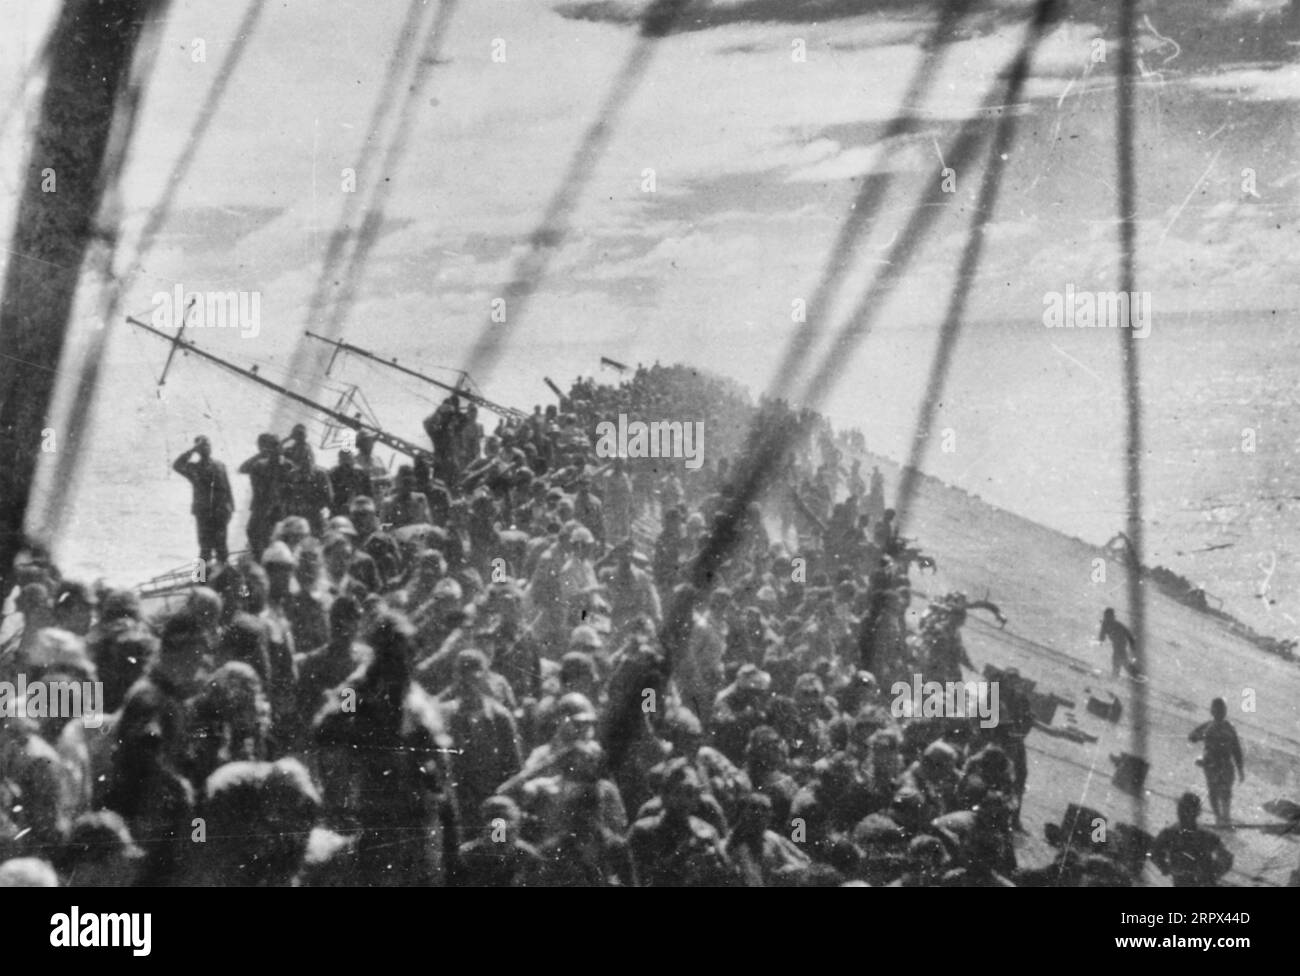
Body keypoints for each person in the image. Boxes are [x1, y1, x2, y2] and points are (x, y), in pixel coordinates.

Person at [173, 436, 235, 564]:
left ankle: (222, 578)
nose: (207, 448)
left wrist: (230, 508)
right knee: (204, 549)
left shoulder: (220, 465)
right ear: (198, 450)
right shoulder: (193, 468)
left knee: (222, 548)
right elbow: (177, 465)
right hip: (203, 513)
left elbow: (227, 488)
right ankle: (200, 579)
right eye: (203, 446)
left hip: (220, 512)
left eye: (208, 445)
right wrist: (192, 450)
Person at [1152, 792, 1234, 887]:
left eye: (1186, 811)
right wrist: (1167, 868)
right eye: (1182, 810)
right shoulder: (1170, 834)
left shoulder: (1204, 835)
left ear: (1195, 813)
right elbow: (1154, 853)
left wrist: (1212, 873)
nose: (1182, 814)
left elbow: (1226, 857)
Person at [1189, 698, 1245, 826]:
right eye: (1218, 710)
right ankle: (1222, 818)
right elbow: (1192, 736)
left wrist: (1240, 769)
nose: (1220, 712)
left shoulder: (1220, 727)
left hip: (1218, 764)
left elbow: (1236, 749)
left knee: (1219, 791)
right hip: (1215, 764)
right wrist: (1240, 769)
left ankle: (1222, 818)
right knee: (1219, 791)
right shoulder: (1223, 727)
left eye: (1221, 710)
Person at [1097, 607, 1140, 679]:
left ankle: (1132, 674)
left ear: (1113, 617)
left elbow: (1127, 633)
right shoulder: (1105, 624)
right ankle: (1131, 674)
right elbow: (1102, 635)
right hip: (1116, 644)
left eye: (1110, 617)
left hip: (1121, 643)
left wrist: (1132, 642)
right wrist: (1101, 640)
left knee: (1120, 659)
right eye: (1107, 616)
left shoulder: (1117, 624)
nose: (1108, 619)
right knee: (1119, 659)